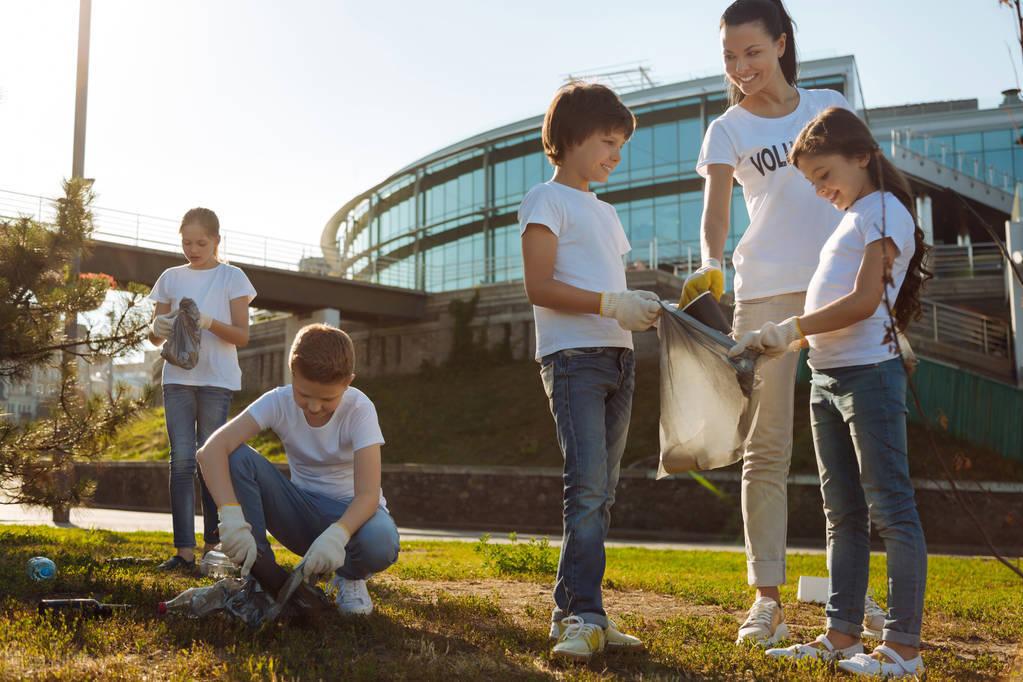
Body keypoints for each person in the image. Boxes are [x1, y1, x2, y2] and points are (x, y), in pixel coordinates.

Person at [681, 0, 876, 645]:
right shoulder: (726, 130)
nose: (742, 69)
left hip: (836, 293)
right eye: (731, 58)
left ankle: (851, 596)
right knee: (764, 449)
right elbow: (715, 215)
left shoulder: (825, 106)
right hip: (762, 296)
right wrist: (711, 265)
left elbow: (866, 185)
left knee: (845, 447)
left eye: (753, 53)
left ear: (782, 44)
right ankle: (766, 597)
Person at [731, 106, 930, 678]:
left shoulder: (884, 211)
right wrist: (796, 343)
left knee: (890, 509)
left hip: (869, 374)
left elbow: (866, 300)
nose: (820, 190)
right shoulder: (853, 215)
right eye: (812, 181)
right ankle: (841, 635)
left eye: (825, 175)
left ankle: (903, 650)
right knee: (841, 513)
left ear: (862, 156)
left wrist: (791, 328)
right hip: (826, 375)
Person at [519, 81, 660, 662]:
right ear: (571, 137)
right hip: (574, 357)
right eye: (607, 141)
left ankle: (578, 609)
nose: (615, 155)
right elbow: (540, 286)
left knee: (601, 496)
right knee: (587, 488)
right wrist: (608, 305)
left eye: (620, 144)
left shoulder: (606, 213)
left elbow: (612, 279)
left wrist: (649, 303)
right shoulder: (544, 200)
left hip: (619, 357)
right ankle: (583, 613)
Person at [197, 324, 400, 615]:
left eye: (328, 399)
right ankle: (260, 575)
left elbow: (368, 495)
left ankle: (349, 576)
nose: (314, 407)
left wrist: (338, 534)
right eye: (304, 394)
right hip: (299, 512)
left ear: (348, 382)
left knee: (381, 540)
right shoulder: (277, 402)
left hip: (352, 518)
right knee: (235, 455)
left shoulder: (360, 409)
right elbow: (210, 451)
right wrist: (229, 515)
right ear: (292, 374)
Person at [148, 207, 256, 571]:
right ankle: (183, 552)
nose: (192, 249)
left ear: (216, 241)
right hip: (177, 377)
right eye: (186, 242)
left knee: (210, 460)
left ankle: (213, 546)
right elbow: (152, 335)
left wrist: (210, 322)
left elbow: (242, 335)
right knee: (181, 461)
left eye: (201, 242)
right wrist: (158, 327)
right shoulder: (170, 277)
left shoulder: (233, 277)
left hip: (217, 380)